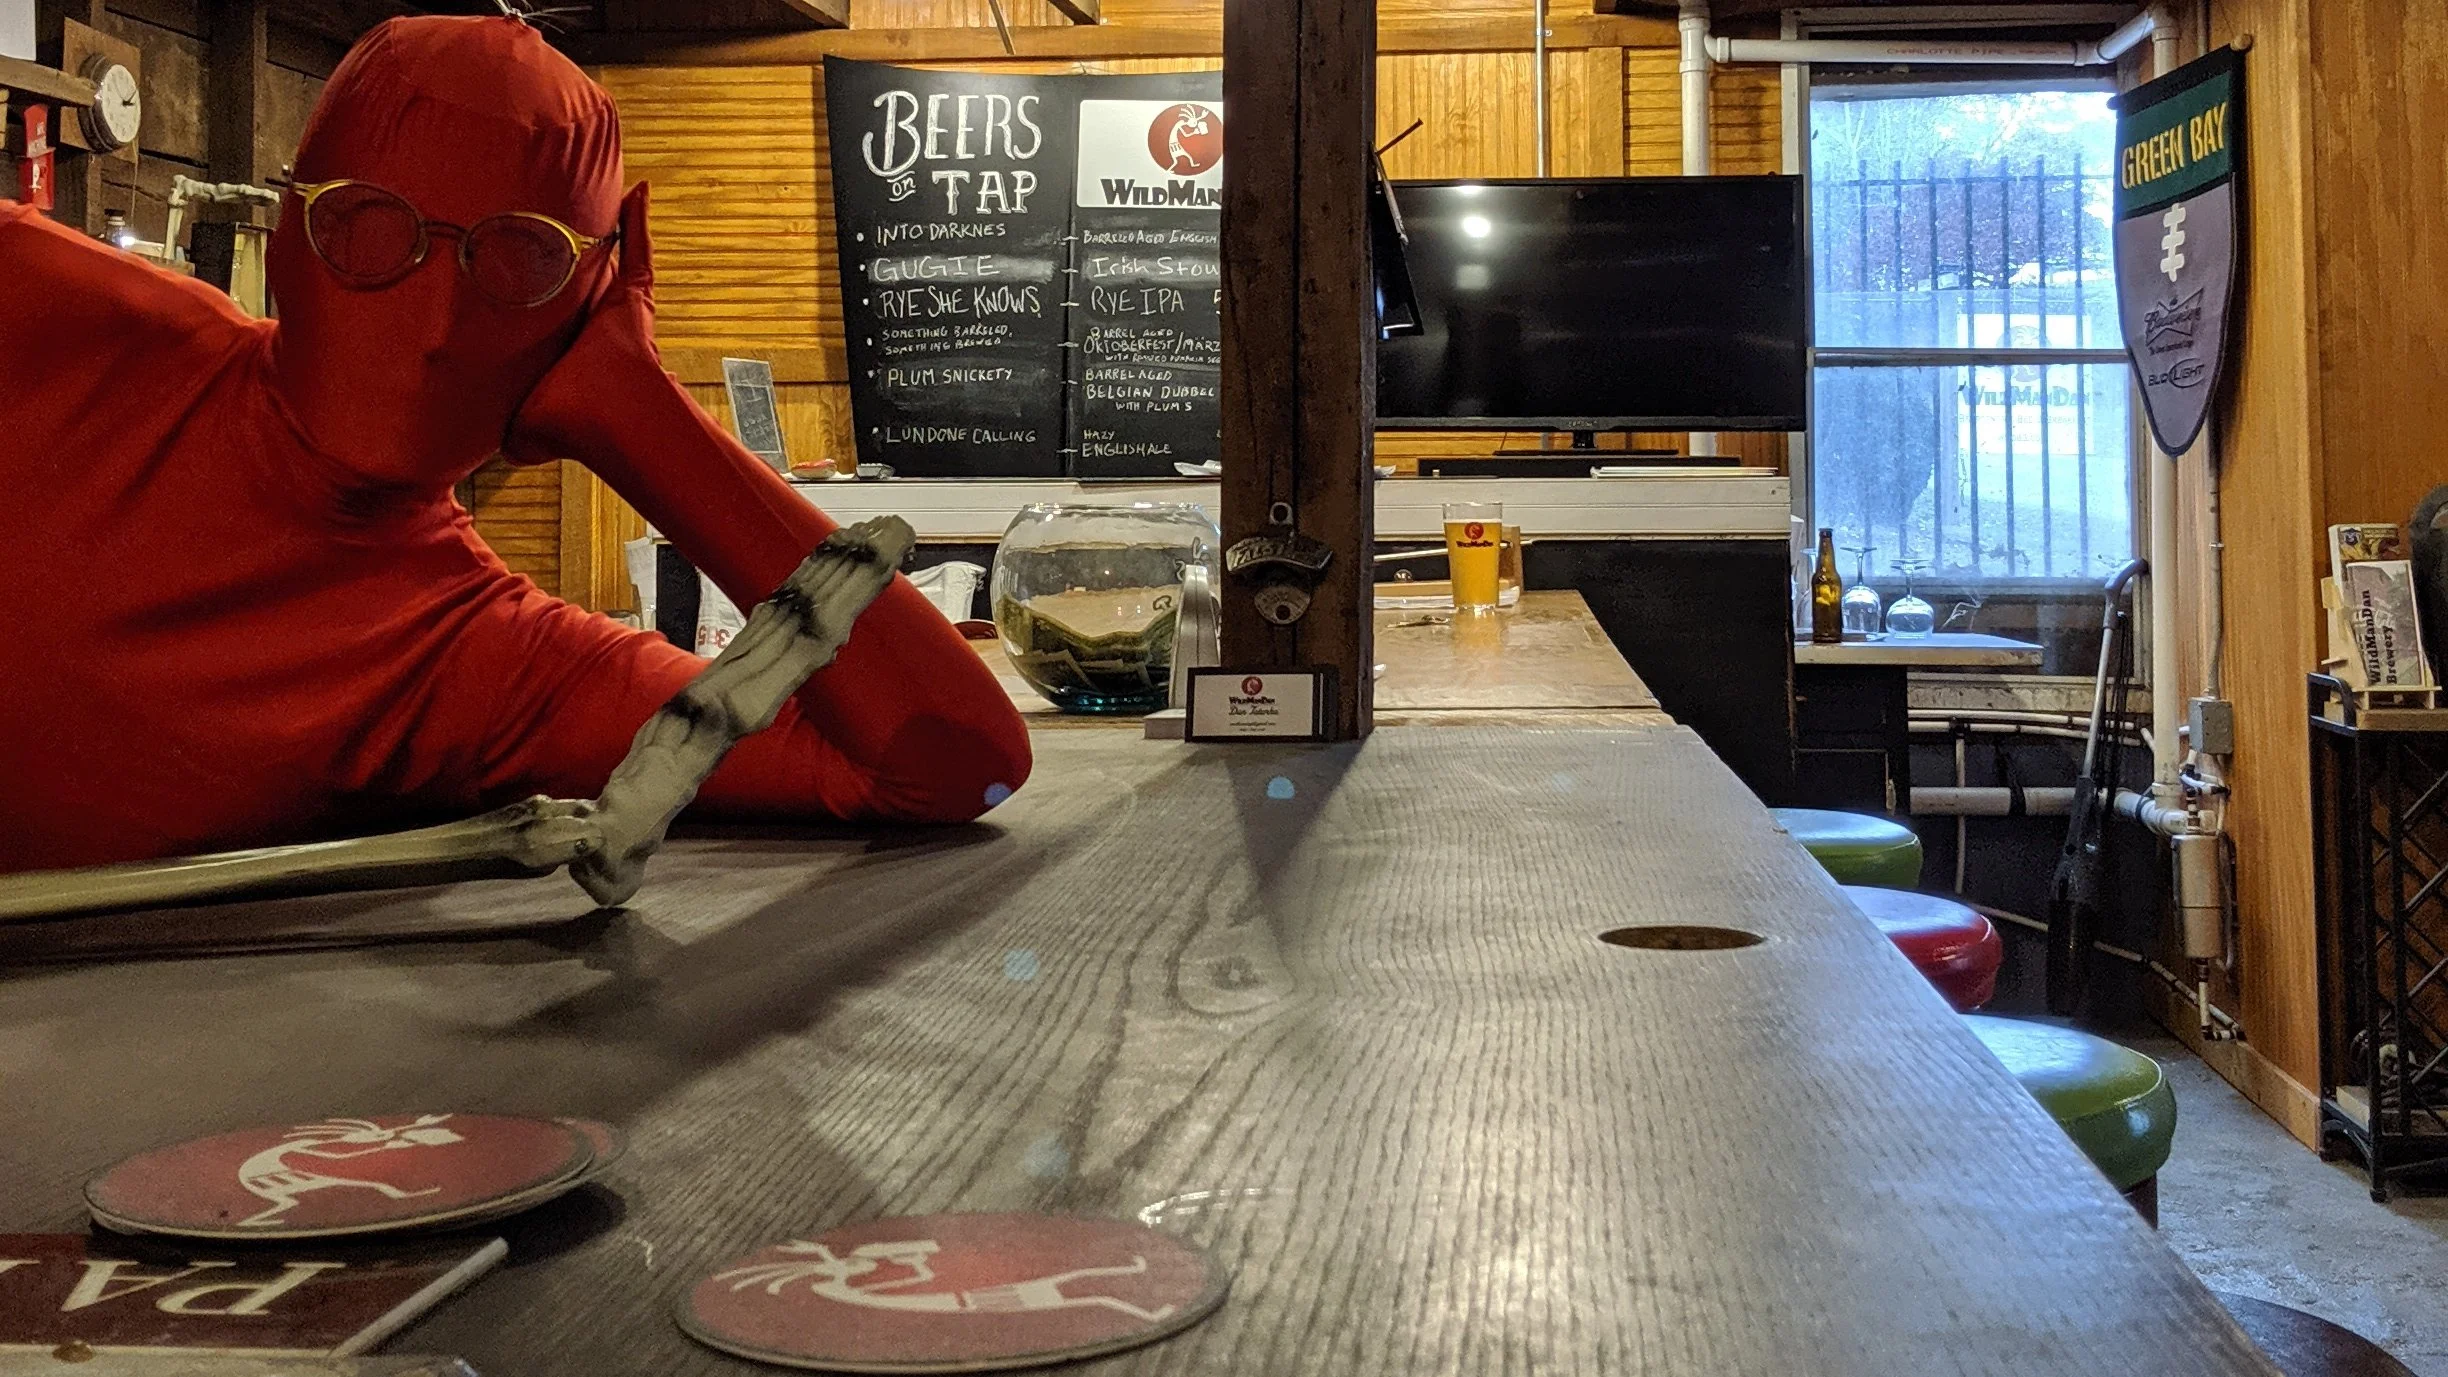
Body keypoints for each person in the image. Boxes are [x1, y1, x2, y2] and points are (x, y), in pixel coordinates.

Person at [0, 15, 1031, 873]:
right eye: (369, 229)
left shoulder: (478, 658)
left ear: (588, 308)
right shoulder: (55, 313)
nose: (439, 321)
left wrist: (645, 421)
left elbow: (953, 763)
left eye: (519, 260)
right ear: (288, 231)